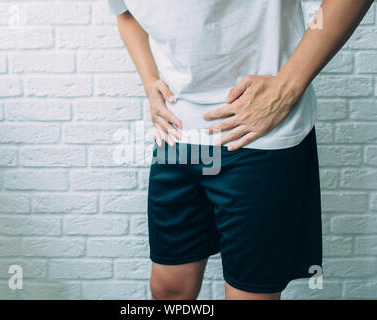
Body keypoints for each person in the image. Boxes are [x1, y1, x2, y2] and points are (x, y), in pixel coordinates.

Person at [106, 0, 373, 300]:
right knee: (169, 291)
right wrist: (149, 81)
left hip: (258, 137)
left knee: (249, 296)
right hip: (177, 135)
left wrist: (287, 88)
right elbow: (125, 13)